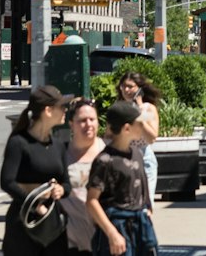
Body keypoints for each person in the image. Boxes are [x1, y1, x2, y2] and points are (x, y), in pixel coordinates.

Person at [0, 84, 70, 256]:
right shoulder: (19, 142)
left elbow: (67, 184)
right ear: (48, 110)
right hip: (24, 222)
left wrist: (61, 189)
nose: (65, 111)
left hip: (52, 223)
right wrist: (35, 204)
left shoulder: (58, 145)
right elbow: (7, 182)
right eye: (62, 107)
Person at [86, 101, 156, 256]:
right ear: (127, 128)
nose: (143, 126)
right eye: (140, 123)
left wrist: (147, 210)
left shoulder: (137, 153)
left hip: (140, 226)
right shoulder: (105, 160)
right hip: (118, 229)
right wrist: (112, 233)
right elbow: (92, 201)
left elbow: (142, 187)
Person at [64, 99, 106, 254]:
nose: (88, 124)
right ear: (71, 123)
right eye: (82, 120)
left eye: (92, 119)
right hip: (69, 244)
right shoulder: (61, 155)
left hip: (103, 240)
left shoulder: (108, 153)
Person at [115, 75, 159, 208]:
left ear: (139, 89)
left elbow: (151, 137)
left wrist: (139, 111)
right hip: (123, 159)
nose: (127, 90)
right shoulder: (118, 108)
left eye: (130, 87)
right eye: (124, 86)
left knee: (146, 206)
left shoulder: (147, 108)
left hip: (144, 158)